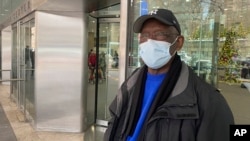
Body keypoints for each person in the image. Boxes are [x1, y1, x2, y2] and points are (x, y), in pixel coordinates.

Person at [104, 9, 234, 141]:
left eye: (160, 34)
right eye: (144, 35)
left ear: (179, 42)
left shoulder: (207, 101)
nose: (150, 41)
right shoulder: (130, 84)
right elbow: (115, 121)